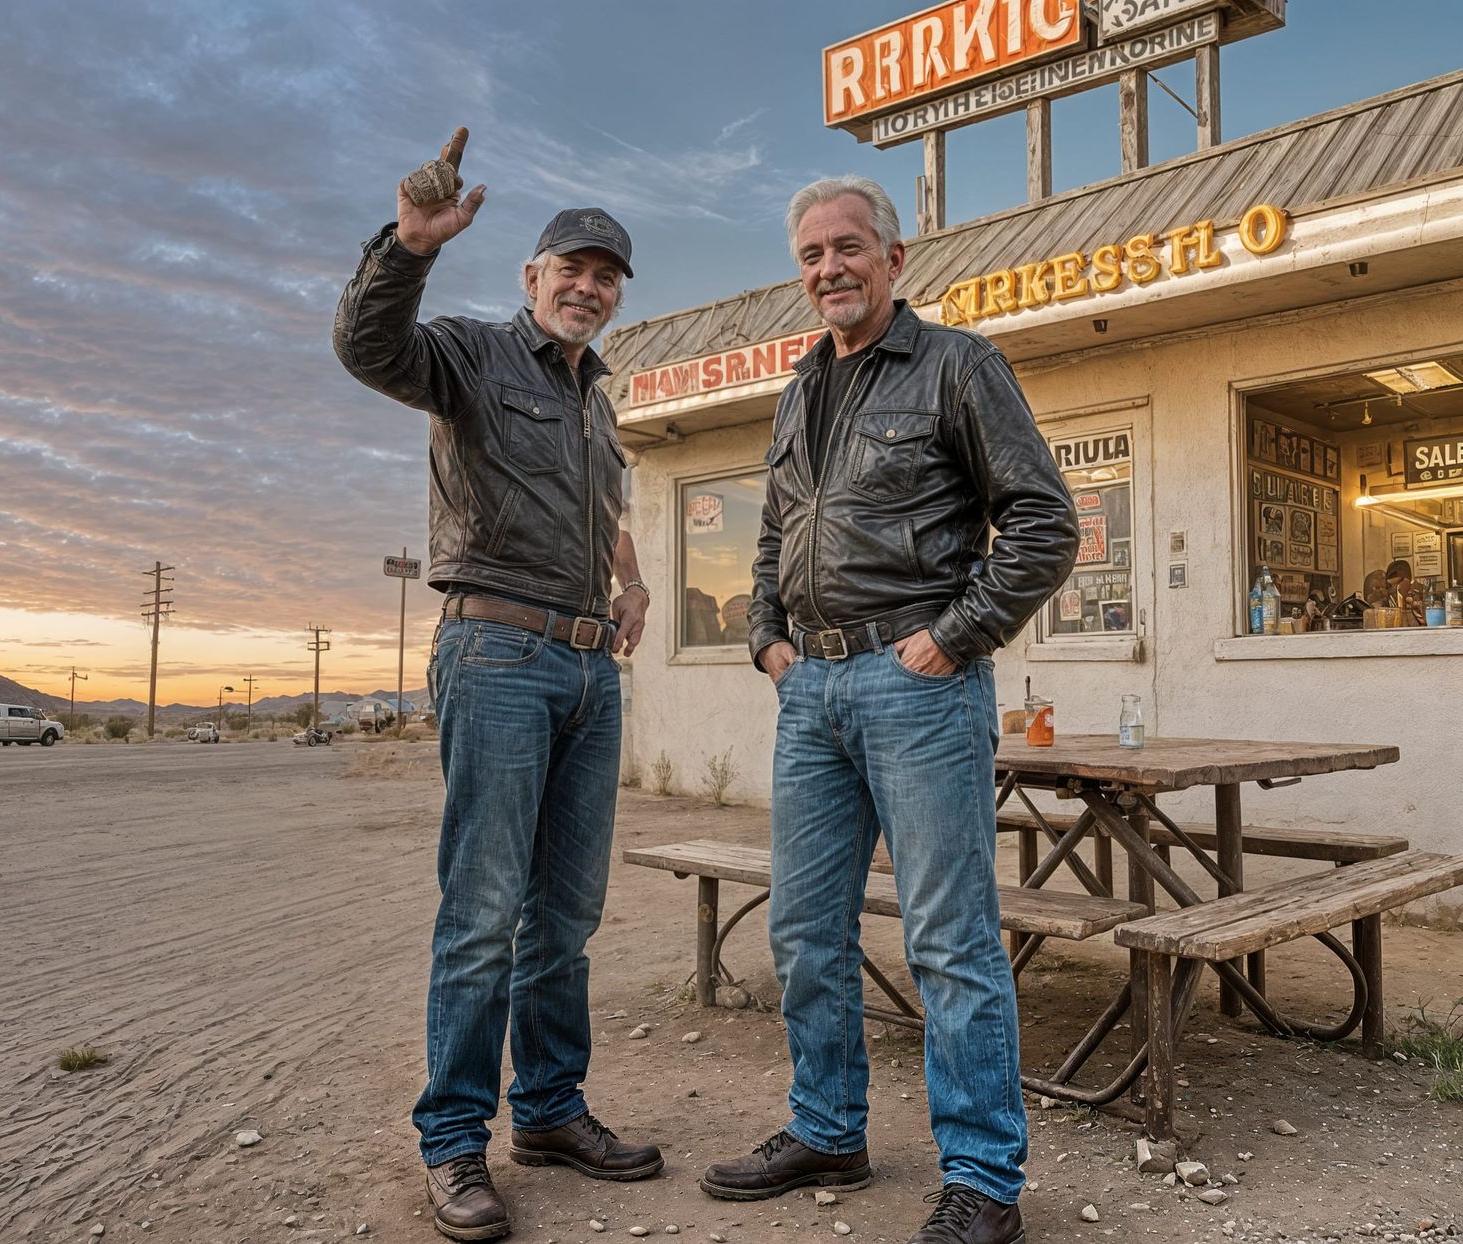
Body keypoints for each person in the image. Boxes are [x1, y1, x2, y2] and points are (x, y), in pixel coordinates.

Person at [700, 175, 1078, 1244]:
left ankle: (983, 1178)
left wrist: (953, 635)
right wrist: (763, 633)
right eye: (812, 254)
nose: (829, 268)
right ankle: (827, 1123)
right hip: (808, 687)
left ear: (893, 257)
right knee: (805, 927)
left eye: (848, 247)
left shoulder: (959, 365)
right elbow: (776, 530)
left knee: (948, 937)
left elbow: (1044, 522)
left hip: (917, 685)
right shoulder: (797, 389)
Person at [333, 127, 659, 1242]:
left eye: (605, 273)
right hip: (498, 655)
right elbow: (369, 348)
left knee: (564, 913)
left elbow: (602, 505)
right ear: (532, 277)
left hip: (585, 666)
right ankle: (454, 1140)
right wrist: (408, 246)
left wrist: (631, 579)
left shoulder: (595, 402)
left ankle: (553, 1110)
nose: (589, 285)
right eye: (571, 266)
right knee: (483, 911)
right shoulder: (471, 354)